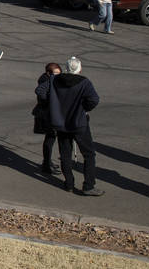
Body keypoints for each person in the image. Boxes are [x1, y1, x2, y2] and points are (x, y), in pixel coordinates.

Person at [49, 56, 102, 195]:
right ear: (79, 69)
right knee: (89, 154)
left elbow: (42, 92)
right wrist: (83, 108)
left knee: (65, 154)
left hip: (61, 122)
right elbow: (94, 100)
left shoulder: (54, 80)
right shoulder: (84, 83)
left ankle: (69, 183)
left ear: (66, 68)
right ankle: (88, 186)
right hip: (79, 123)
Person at [32, 62, 63, 175]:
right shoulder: (46, 81)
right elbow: (40, 93)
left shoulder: (50, 80)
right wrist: (50, 100)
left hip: (48, 113)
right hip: (46, 114)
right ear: (48, 73)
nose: (58, 76)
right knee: (50, 139)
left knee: (51, 138)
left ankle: (47, 161)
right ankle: (46, 165)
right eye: (55, 74)